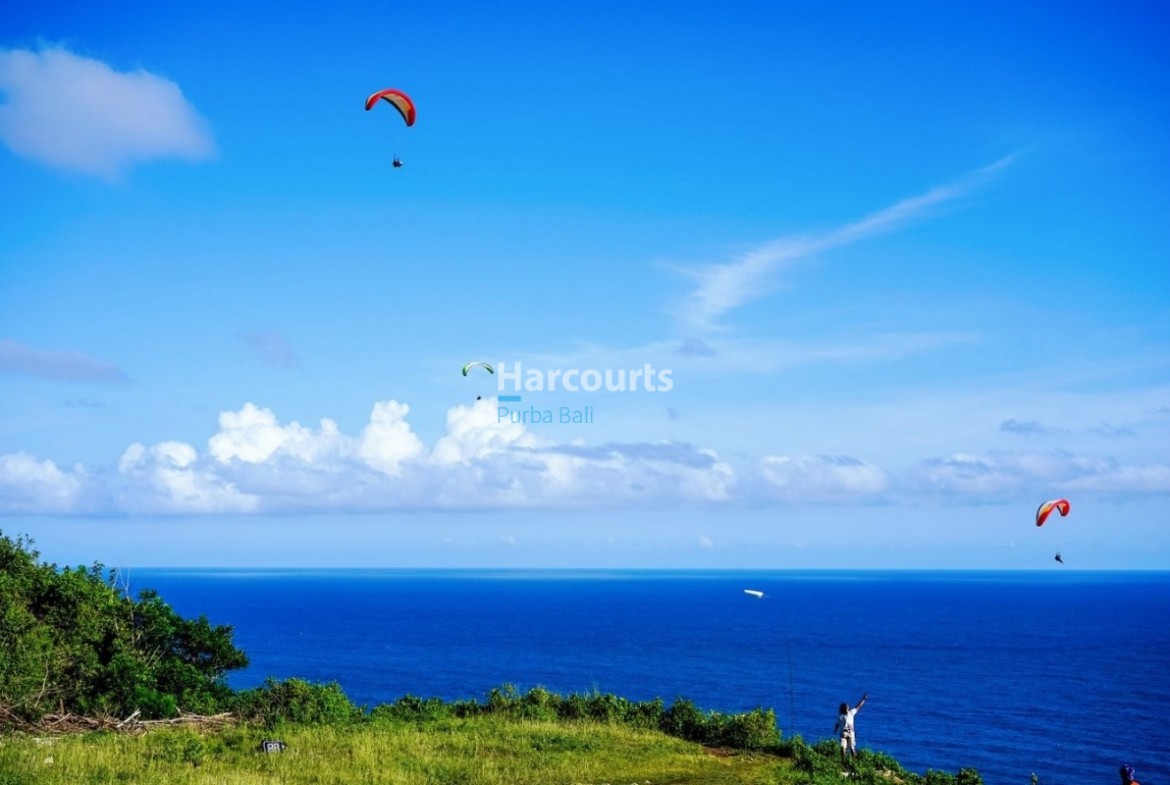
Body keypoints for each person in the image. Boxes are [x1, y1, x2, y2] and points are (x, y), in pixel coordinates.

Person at [834, 693, 868, 763]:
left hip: (844, 733)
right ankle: (853, 761)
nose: (848, 707)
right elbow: (858, 707)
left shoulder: (840, 716)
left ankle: (843, 761)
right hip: (850, 732)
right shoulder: (851, 713)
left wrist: (835, 730)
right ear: (846, 708)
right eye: (847, 707)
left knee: (844, 747)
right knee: (850, 747)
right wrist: (864, 699)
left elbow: (837, 724)